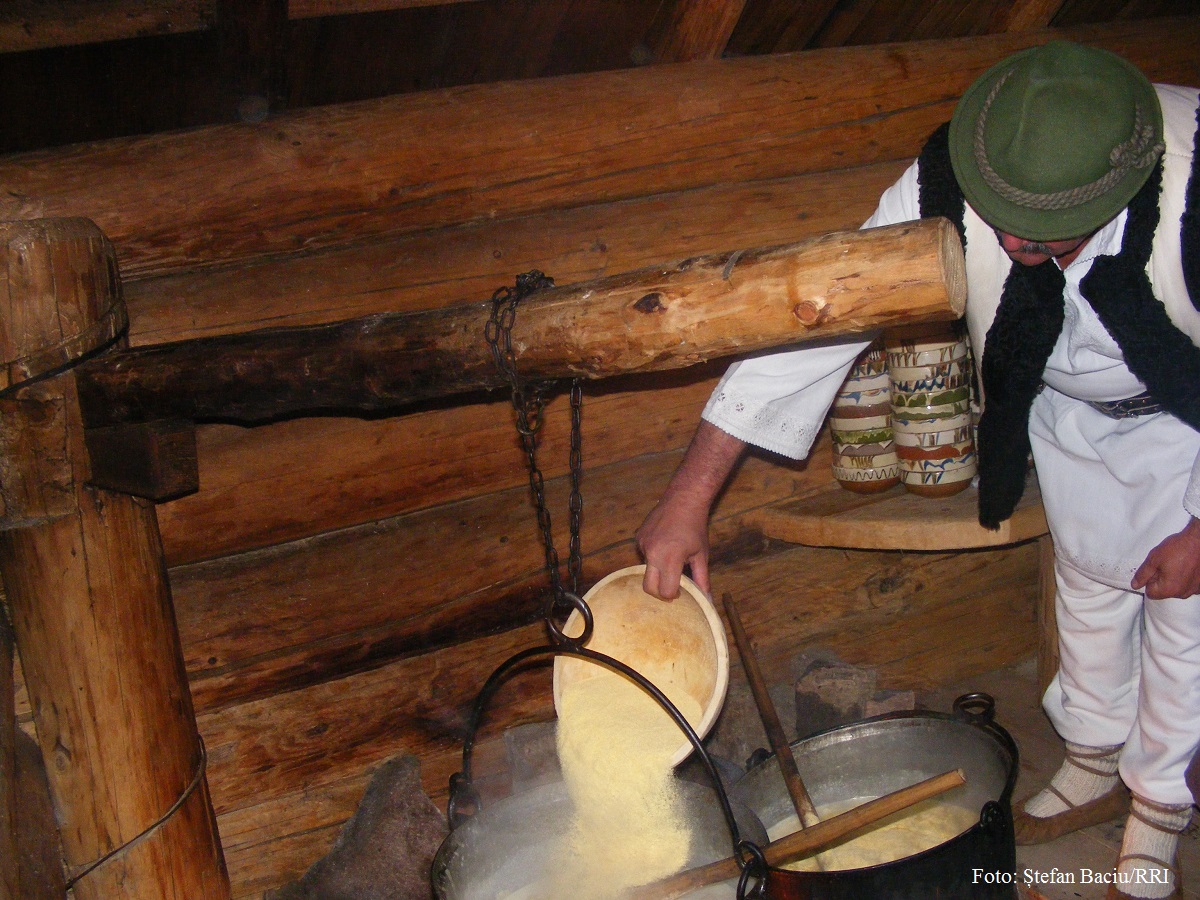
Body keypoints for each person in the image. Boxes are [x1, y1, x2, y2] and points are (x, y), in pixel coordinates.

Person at [636, 41, 1200, 900]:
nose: (1009, 240)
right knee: (1088, 582)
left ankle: (1159, 807)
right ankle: (1091, 751)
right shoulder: (951, 178)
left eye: (1045, 230)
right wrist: (687, 498)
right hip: (1069, 408)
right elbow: (820, 317)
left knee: (1185, 611)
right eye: (1001, 215)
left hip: (1188, 418)